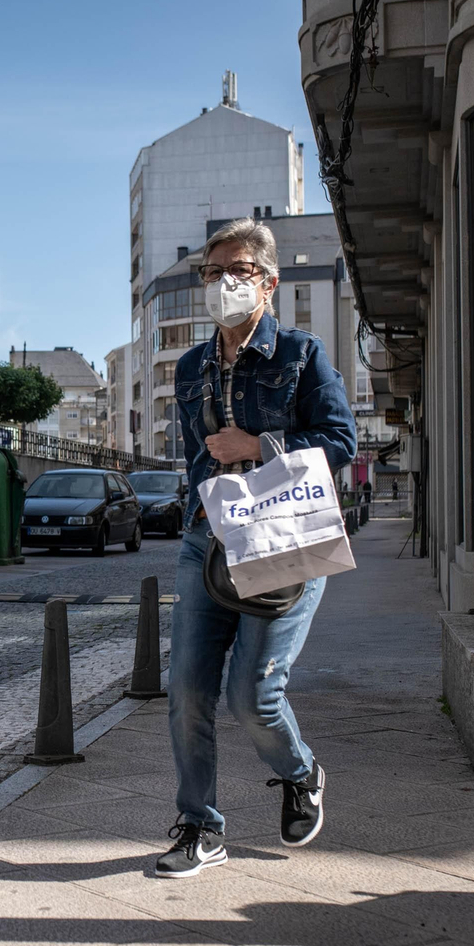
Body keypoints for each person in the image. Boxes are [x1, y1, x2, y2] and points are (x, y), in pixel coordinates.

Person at [156, 218, 357, 878]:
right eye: (212, 273)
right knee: (186, 690)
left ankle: (300, 771)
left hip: (285, 539)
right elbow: (196, 459)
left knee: (253, 695)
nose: (221, 283)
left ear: (267, 283)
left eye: (236, 271)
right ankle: (199, 826)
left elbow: (340, 444)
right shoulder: (190, 367)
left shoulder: (301, 355)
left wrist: (260, 447)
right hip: (206, 541)